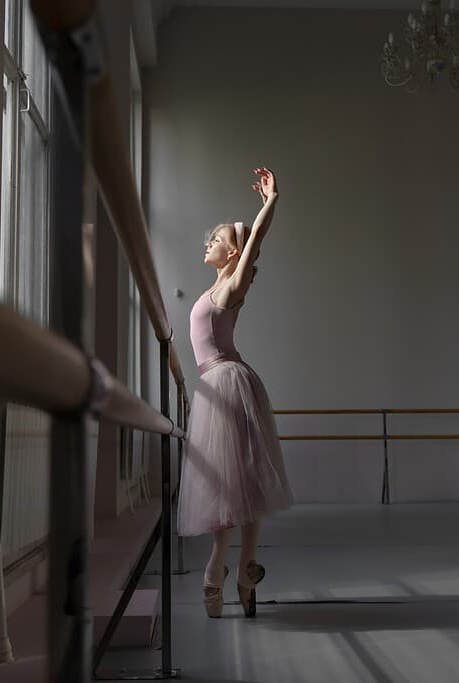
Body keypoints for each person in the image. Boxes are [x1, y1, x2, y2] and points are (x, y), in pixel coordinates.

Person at [176, 167, 294, 619]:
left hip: (228, 381)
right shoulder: (212, 286)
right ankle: (237, 569)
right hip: (215, 383)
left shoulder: (231, 284)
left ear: (233, 251)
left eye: (217, 238)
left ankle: (230, 569)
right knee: (226, 483)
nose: (208, 242)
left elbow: (257, 239)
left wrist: (269, 202)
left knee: (239, 479)